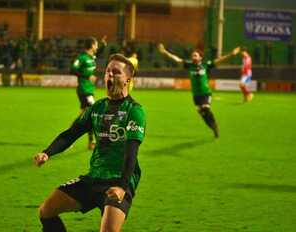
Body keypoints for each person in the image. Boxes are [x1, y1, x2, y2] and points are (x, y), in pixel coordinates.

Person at [34, 53, 146, 232]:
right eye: (108, 71)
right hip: (93, 178)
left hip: (118, 181)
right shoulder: (97, 108)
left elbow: (131, 152)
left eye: (116, 72)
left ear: (128, 80)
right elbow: (70, 134)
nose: (110, 75)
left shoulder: (134, 111)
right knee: (46, 211)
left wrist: (122, 187)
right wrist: (47, 152)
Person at [158, 43, 240, 138]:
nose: (193, 57)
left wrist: (231, 54)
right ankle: (213, 127)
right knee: (203, 114)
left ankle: (215, 125)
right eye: (193, 55)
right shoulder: (189, 65)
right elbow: (177, 60)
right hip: (196, 95)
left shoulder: (206, 65)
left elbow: (219, 60)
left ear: (200, 58)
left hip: (205, 93)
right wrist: (165, 52)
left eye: (195, 55)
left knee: (205, 108)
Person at [70, 37, 99, 150]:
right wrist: (87, 76)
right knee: (93, 113)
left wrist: (103, 45)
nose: (97, 47)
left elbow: (97, 53)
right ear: (92, 45)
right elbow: (72, 70)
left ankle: (69, 137)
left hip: (89, 90)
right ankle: (92, 141)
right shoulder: (81, 58)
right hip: (83, 90)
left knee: (83, 116)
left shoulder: (91, 57)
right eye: (96, 44)